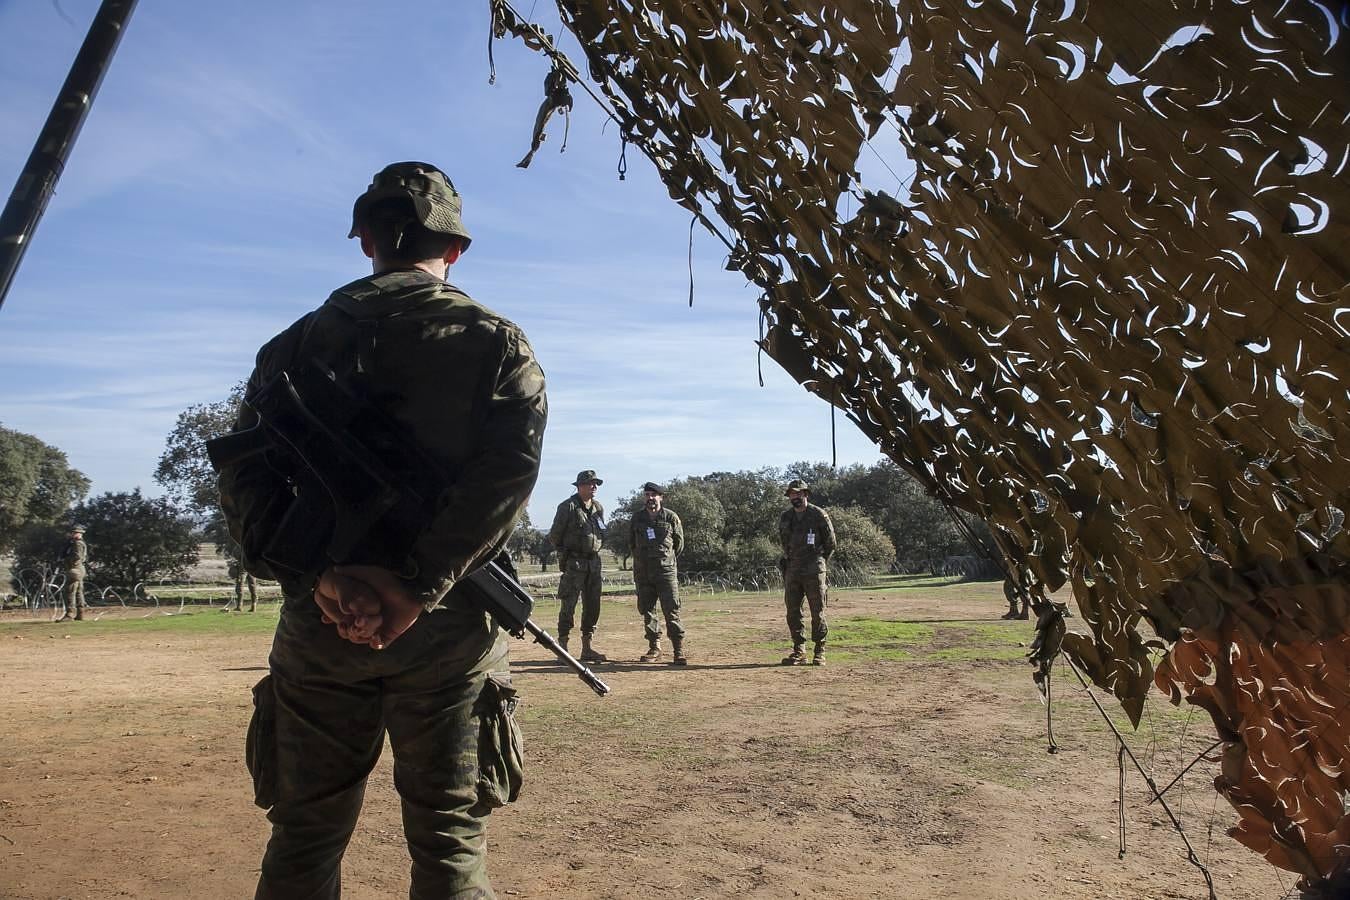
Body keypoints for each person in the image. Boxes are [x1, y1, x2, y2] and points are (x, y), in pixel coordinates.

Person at [216, 161, 547, 899]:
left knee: (303, 835)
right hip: (448, 631)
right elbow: (506, 482)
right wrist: (415, 588)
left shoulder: (288, 349)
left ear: (365, 239)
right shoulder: (495, 342)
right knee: (449, 842)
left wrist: (322, 579)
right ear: (454, 248)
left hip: (321, 623)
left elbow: (246, 480)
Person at [547, 470, 608, 663]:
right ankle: (563, 647)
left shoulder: (598, 507)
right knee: (569, 604)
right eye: (591, 483)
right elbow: (555, 535)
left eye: (596, 484)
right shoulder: (568, 507)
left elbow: (602, 532)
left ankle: (587, 648)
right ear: (580, 486)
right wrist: (566, 554)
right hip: (575, 563)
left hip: (594, 563)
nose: (594, 487)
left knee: (593, 605)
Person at [777, 479, 835, 666]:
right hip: (793, 568)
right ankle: (799, 650)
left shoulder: (818, 515)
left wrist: (819, 561)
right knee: (793, 611)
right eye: (792, 494)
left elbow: (830, 543)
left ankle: (820, 650)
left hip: (814, 569)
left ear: (806, 494)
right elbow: (784, 541)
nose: (795, 497)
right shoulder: (786, 517)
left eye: (798, 493)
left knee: (817, 611)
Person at [630, 482, 686, 665]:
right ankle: (655, 647)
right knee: (648, 611)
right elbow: (631, 543)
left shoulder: (671, 518)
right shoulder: (637, 518)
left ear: (661, 497)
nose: (650, 498)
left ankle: (678, 650)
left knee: (672, 610)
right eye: (647, 495)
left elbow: (679, 545)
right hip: (643, 572)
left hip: (665, 572)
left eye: (654, 495)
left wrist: (665, 559)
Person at [58, 524, 87, 621]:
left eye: (75, 532)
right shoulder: (79, 543)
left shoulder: (77, 544)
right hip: (79, 569)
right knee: (79, 592)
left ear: (80, 534)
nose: (73, 534)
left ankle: (69, 614)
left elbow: (77, 557)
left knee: (70, 592)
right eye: (73, 532)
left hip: (74, 569)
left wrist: (66, 559)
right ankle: (80, 614)